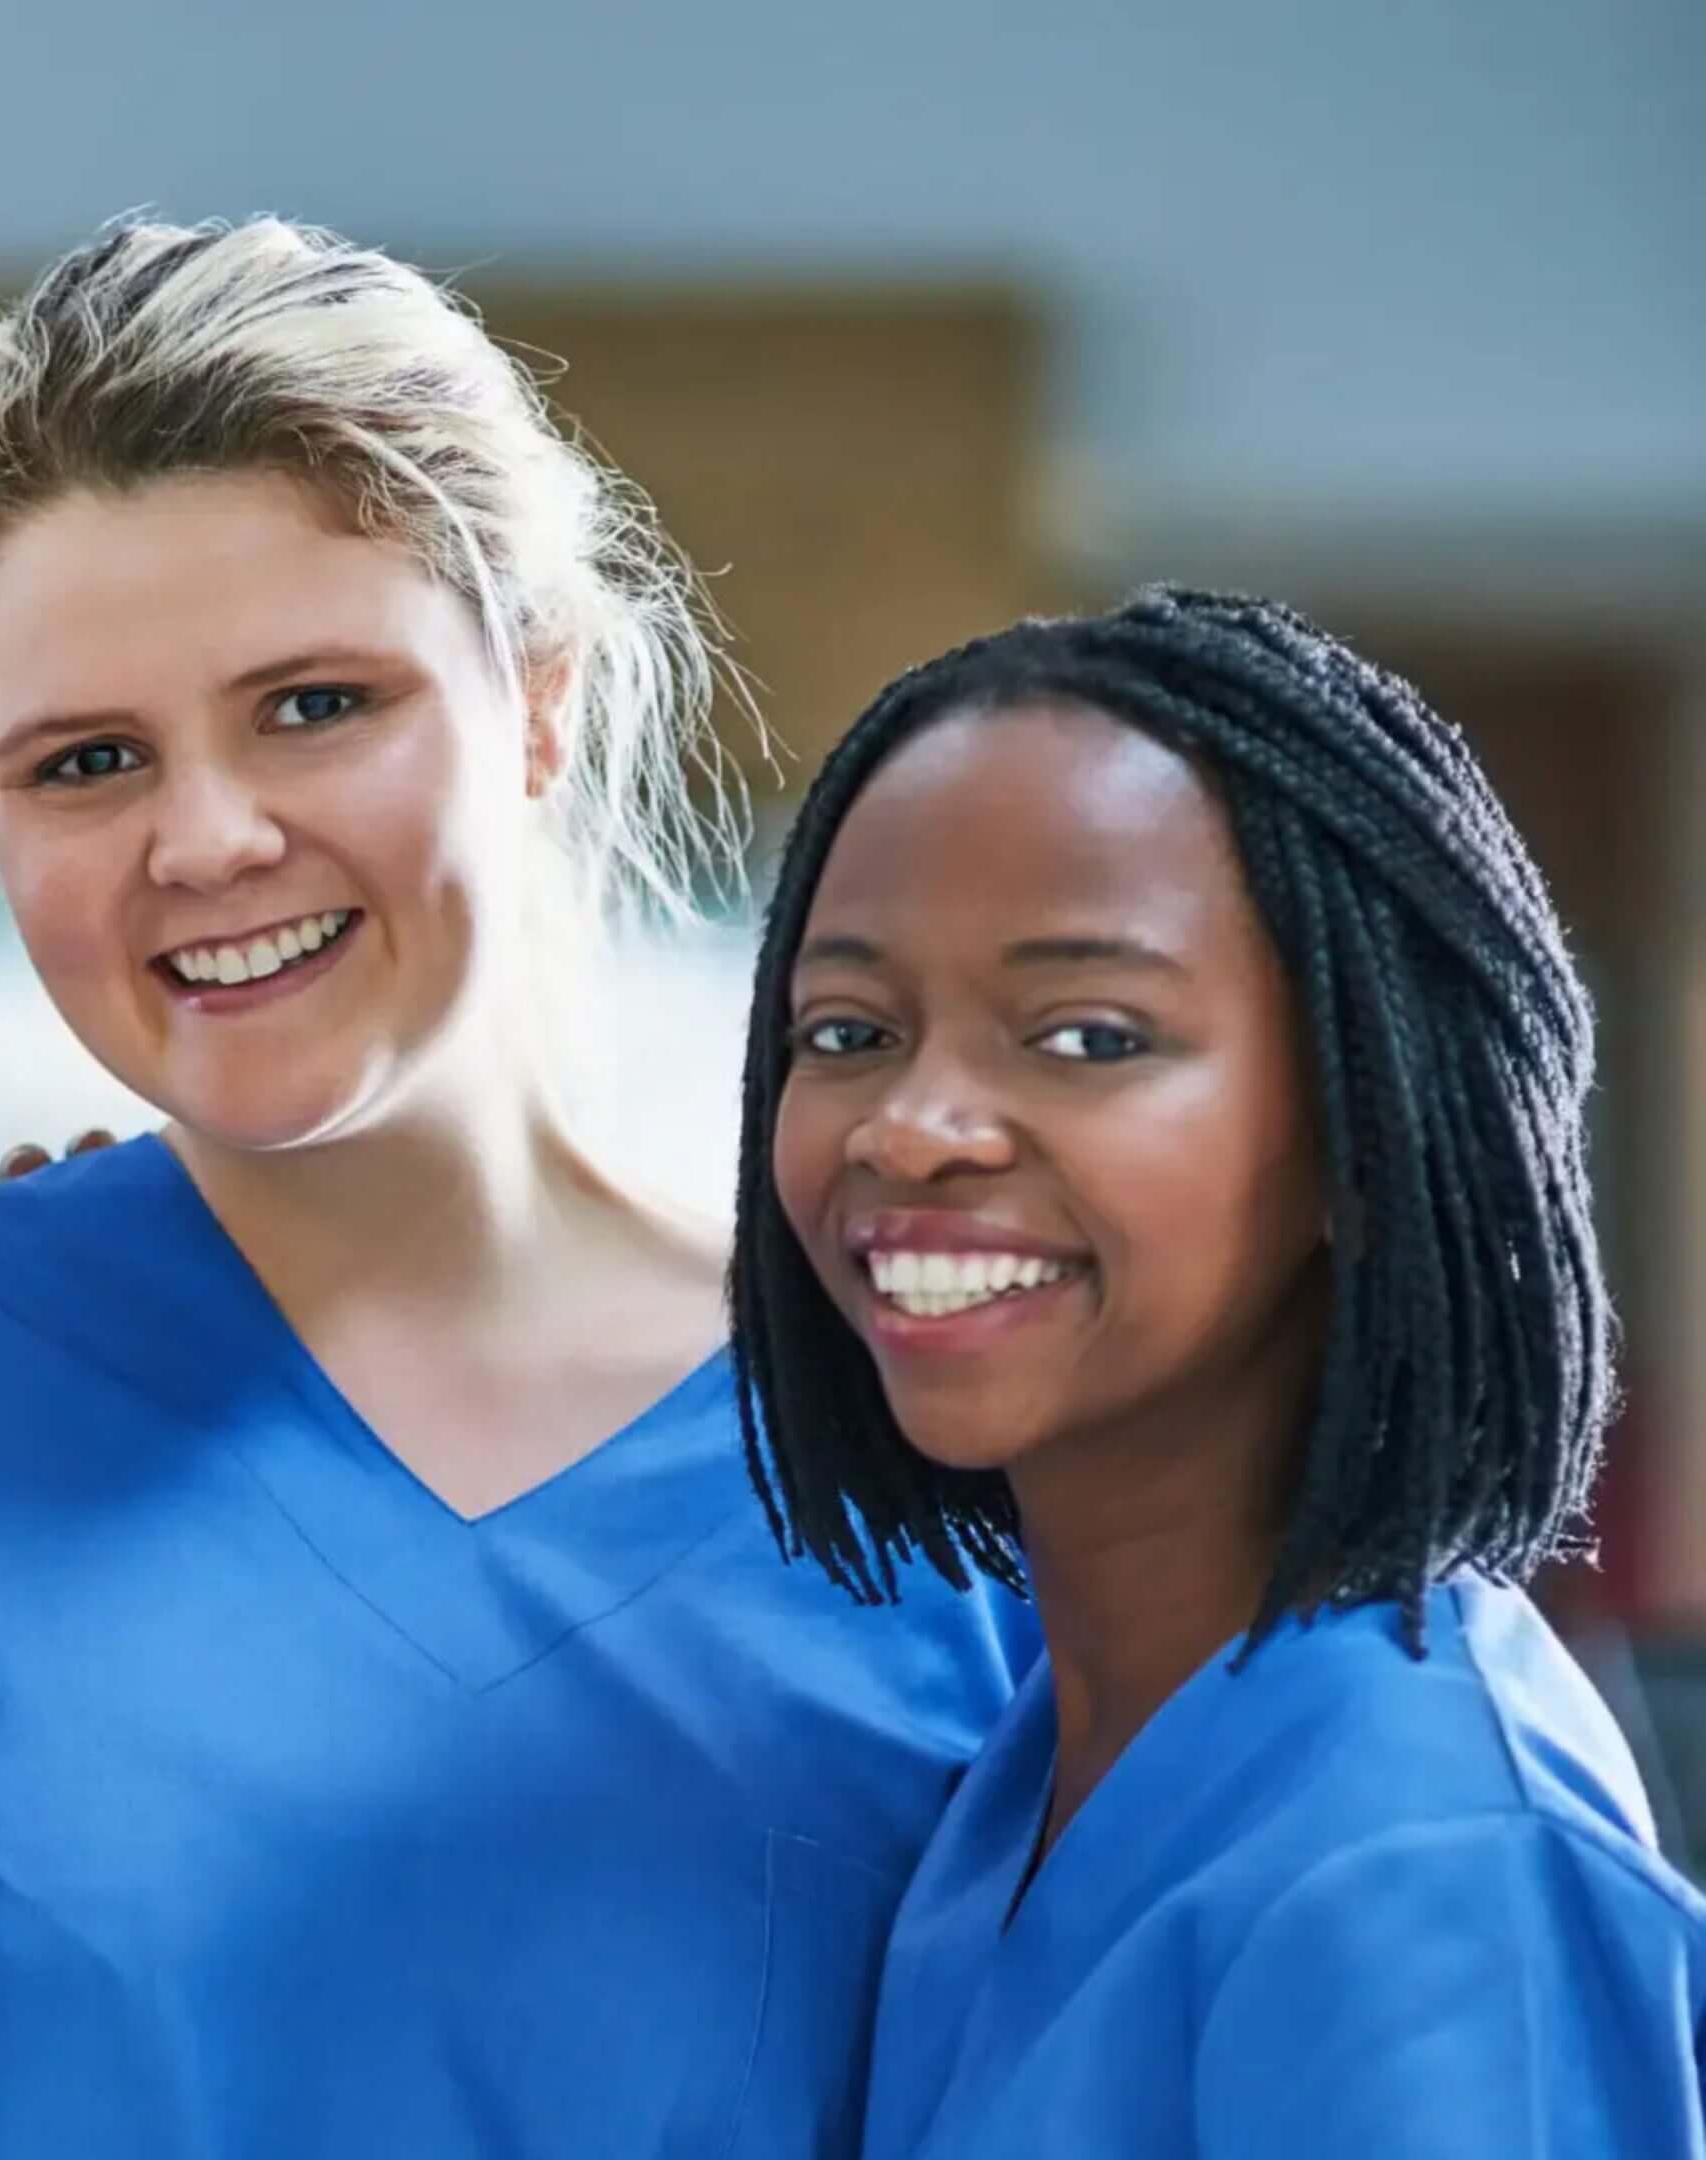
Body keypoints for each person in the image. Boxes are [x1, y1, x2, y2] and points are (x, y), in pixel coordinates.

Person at [0, 214, 1034, 2159]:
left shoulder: (939, 1456)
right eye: (84, 761)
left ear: (533, 701)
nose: (203, 838)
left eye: (313, 705)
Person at [731, 585, 1706, 2154]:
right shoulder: (1042, 1769)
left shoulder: (1427, 1862)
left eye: (1088, 1037)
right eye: (846, 1032)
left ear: (1363, 1138)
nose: (909, 1126)